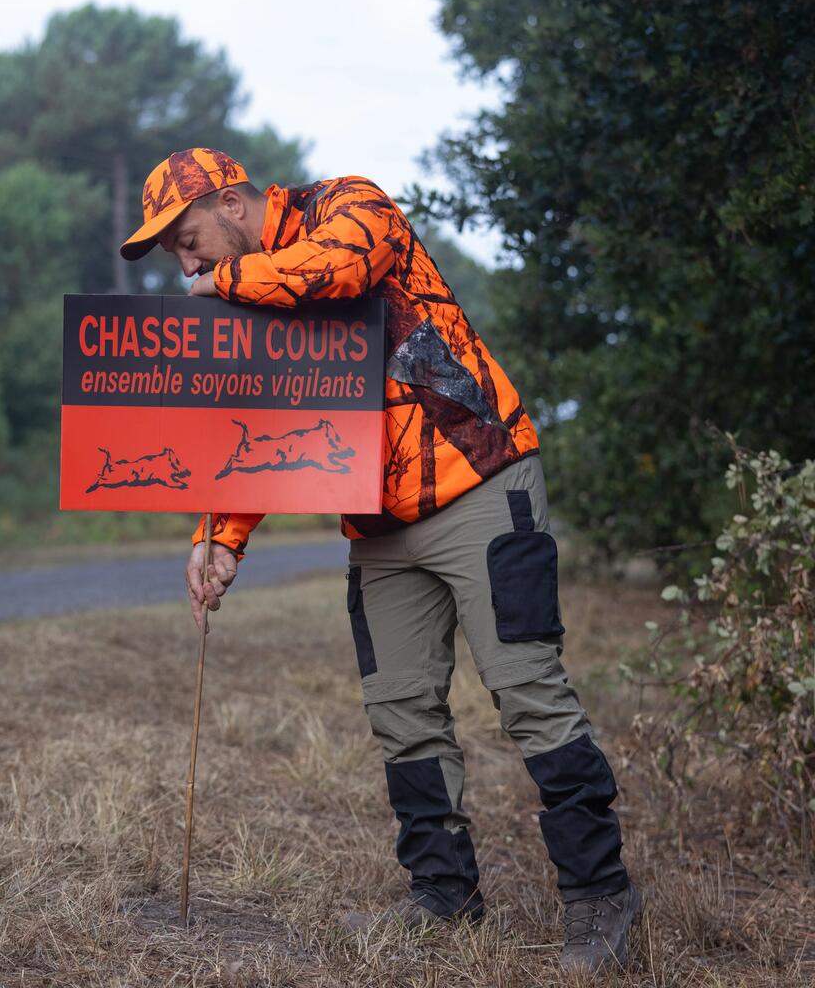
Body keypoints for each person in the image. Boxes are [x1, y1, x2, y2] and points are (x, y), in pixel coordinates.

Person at [120, 147, 641, 973]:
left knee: (527, 692)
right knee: (401, 707)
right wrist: (219, 538)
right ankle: (443, 899)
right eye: (178, 257)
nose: (186, 264)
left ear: (228, 203)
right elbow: (265, 430)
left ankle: (601, 901)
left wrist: (217, 286)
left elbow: (339, 270)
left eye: (187, 240)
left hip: (480, 479)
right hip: (377, 522)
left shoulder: (350, 207)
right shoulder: (257, 302)